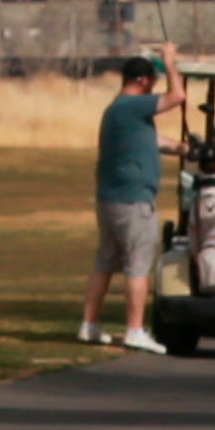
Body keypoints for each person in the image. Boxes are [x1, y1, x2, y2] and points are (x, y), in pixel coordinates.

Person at [82, 53, 167, 351]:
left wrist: (181, 147)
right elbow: (178, 96)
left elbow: (147, 141)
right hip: (133, 201)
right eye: (153, 80)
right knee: (137, 266)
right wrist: (170, 61)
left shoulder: (117, 109)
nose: (154, 86)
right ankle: (134, 329)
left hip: (109, 199)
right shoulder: (134, 104)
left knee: (104, 261)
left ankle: (89, 324)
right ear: (142, 80)